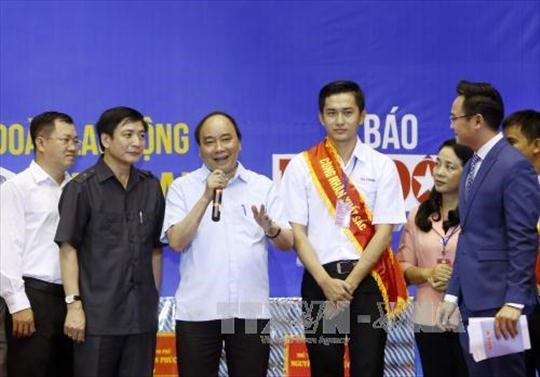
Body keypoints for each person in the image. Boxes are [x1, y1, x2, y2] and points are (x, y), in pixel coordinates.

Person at [280, 80, 408, 377]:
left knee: (368, 365)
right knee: (325, 366)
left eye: (347, 112)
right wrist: (326, 282)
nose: (340, 120)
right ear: (320, 117)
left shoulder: (382, 166)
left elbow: (384, 232)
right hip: (320, 280)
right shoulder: (302, 166)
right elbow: (297, 233)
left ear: (362, 116)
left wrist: (350, 282)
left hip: (367, 282)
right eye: (332, 113)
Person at [161, 111, 293, 377]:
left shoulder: (262, 186)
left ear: (239, 143)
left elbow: (287, 242)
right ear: (199, 150)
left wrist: (271, 229)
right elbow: (176, 241)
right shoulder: (182, 188)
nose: (219, 148)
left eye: (226, 139)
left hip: (249, 311)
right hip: (199, 311)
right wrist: (205, 197)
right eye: (209, 142)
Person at [438, 81, 540, 377]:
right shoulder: (471, 166)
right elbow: (469, 237)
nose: (451, 125)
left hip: (501, 307)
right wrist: (452, 295)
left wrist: (514, 300)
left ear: (477, 120)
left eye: (455, 118)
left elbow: (523, 238)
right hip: (473, 303)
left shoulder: (514, 166)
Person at [54, 107, 165, 377]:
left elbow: (155, 250)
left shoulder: (151, 187)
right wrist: (74, 306)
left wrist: (151, 302)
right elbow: (68, 249)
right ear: (106, 140)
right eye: (128, 134)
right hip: (97, 320)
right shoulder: (81, 188)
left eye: (141, 135)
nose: (137, 142)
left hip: (140, 319)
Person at [0, 111, 79, 376]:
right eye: (65, 140)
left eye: (75, 141)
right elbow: (6, 248)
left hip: (70, 300)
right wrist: (18, 304)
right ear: (41, 143)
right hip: (33, 298)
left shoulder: (77, 189)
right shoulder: (17, 187)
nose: (73, 147)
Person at [397, 139, 472, 377]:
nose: (439, 172)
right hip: (428, 315)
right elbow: (401, 267)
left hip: (470, 314)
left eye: (450, 167)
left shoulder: (478, 214)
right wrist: (427, 274)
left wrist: (457, 278)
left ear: (468, 172)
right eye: (437, 164)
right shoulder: (418, 215)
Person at [502, 109, 540, 377]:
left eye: (512, 143)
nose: (506, 151)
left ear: (536, 145)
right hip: (516, 304)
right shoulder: (506, 187)